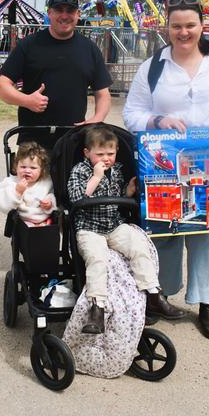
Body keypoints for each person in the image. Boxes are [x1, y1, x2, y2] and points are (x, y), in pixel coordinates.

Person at [122, 0, 209, 340]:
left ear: (202, 26)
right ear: (167, 28)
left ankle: (206, 302)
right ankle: (162, 296)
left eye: (190, 25)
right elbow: (131, 113)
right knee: (165, 230)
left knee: (206, 234)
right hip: (165, 162)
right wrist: (157, 119)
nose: (184, 32)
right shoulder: (153, 67)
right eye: (177, 26)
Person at [68, 125, 184, 334]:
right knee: (97, 259)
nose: (106, 158)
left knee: (139, 245)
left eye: (110, 153)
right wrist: (96, 177)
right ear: (87, 153)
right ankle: (98, 308)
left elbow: (117, 199)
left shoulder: (118, 169)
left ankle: (153, 294)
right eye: (100, 154)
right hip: (89, 227)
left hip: (114, 224)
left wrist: (127, 192)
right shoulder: (81, 170)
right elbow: (77, 197)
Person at [0, 0, 113, 149]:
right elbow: (1, 87)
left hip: (73, 139)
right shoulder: (28, 45)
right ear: (49, 13)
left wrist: (96, 119)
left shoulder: (90, 49)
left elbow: (103, 94)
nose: (64, 16)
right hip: (32, 141)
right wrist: (27, 101)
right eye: (58, 10)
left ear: (78, 14)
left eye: (70, 10)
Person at [0, 142, 56, 227]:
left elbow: (53, 195)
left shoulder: (46, 183)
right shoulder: (11, 182)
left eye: (33, 168)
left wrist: (49, 204)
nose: (27, 171)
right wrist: (17, 192)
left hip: (44, 220)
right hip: (22, 222)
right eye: (23, 167)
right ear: (16, 167)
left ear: (42, 170)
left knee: (54, 227)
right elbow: (2, 205)